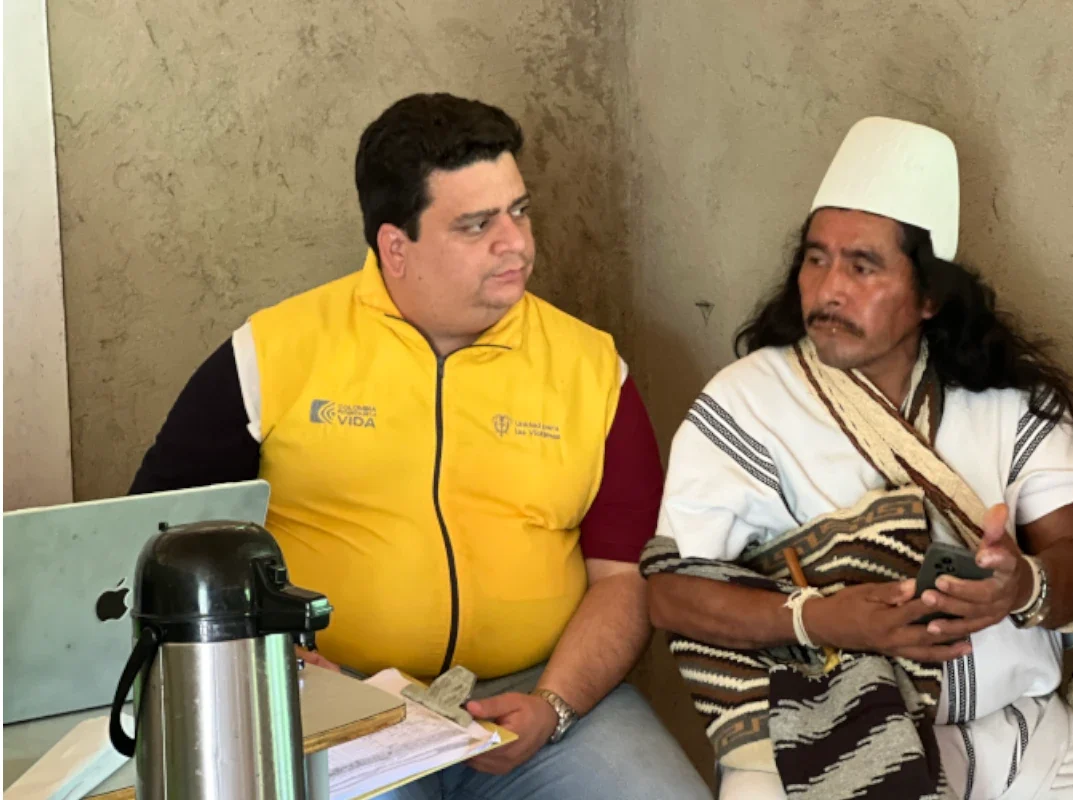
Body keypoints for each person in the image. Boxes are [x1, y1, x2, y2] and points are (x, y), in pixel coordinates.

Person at [130, 92, 710, 800]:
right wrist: (280, 663)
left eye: (520, 211)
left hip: (544, 693)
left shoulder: (592, 369)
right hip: (331, 701)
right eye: (477, 225)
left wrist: (554, 706)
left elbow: (624, 578)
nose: (517, 243)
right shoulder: (273, 354)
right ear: (394, 247)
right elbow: (156, 548)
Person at [643, 116, 1073, 799]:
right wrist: (818, 618)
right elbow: (670, 595)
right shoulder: (746, 401)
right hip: (830, 740)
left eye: (862, 266)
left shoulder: (1003, 399)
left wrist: (1021, 585)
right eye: (815, 259)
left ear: (929, 295)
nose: (829, 289)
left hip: (1025, 734)